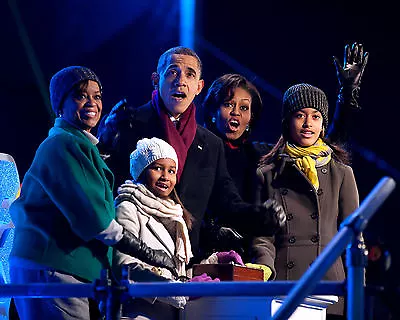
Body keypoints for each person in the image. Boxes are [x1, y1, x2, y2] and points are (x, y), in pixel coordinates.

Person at [9, 66, 178, 320]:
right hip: (53, 265)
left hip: (61, 267)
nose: (92, 103)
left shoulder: (79, 144)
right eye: (80, 95)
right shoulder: (63, 144)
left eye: (97, 96)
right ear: (60, 105)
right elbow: (95, 219)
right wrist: (146, 252)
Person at [97, 46, 286, 263]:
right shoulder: (127, 126)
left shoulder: (211, 144)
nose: (181, 80)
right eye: (172, 72)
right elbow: (106, 190)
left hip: (184, 262)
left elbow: (227, 203)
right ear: (155, 80)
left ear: (199, 86)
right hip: (133, 254)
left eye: (190, 74)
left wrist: (262, 216)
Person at [200, 42, 368, 258]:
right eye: (228, 104)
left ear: (251, 118)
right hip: (204, 254)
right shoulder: (197, 151)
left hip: (248, 259)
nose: (236, 113)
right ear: (213, 110)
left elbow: (319, 147)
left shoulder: (261, 156)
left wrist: (347, 95)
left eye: (244, 107)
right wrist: (212, 232)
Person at [252, 83, 359, 318]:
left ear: (323, 124)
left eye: (315, 116)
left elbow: (352, 238)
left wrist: (356, 291)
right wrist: (264, 270)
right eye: (300, 115)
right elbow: (264, 237)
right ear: (287, 121)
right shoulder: (267, 173)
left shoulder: (341, 173)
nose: (308, 123)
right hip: (285, 285)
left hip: (330, 286)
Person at [114, 137, 243, 319]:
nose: (166, 176)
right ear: (141, 170)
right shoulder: (128, 207)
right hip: (138, 313)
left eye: (171, 171)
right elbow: (125, 268)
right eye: (157, 168)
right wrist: (180, 291)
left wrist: (214, 262)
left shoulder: (175, 215)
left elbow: (177, 275)